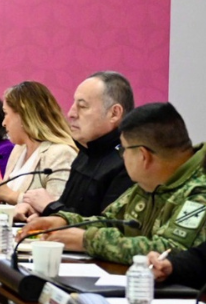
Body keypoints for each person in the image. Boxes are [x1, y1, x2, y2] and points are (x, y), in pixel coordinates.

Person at [23, 103, 206, 264]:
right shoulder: (150, 182)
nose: (122, 156)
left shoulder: (199, 192)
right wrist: (64, 221)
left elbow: (170, 251)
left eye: (123, 149)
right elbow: (110, 221)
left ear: (143, 156)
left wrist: (88, 241)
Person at [17, 71, 134, 219]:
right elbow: (69, 209)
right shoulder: (85, 153)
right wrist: (38, 211)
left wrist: (50, 207)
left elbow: (107, 227)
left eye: (82, 106)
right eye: (74, 104)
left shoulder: (129, 163)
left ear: (114, 113)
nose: (71, 114)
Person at [0, 81, 77, 206]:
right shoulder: (19, 149)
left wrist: (9, 195)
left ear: (23, 116)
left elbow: (59, 208)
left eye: (6, 113)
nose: (3, 123)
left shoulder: (61, 153)